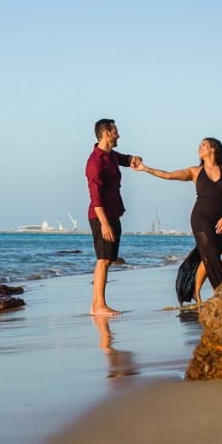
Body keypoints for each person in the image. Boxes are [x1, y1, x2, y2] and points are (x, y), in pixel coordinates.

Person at [134, 138, 222, 304]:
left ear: (213, 149)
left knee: (210, 256)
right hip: (200, 219)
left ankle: (195, 292)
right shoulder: (195, 172)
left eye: (203, 145)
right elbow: (168, 175)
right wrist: (145, 168)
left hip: (220, 221)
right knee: (210, 255)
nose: (199, 147)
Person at [85, 119, 141, 316]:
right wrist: (105, 224)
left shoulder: (110, 156)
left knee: (108, 260)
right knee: (102, 260)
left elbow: (124, 159)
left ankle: (96, 305)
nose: (118, 135)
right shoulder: (95, 162)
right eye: (116, 132)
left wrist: (133, 159)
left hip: (113, 213)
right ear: (106, 134)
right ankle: (99, 306)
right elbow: (95, 197)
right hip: (101, 216)